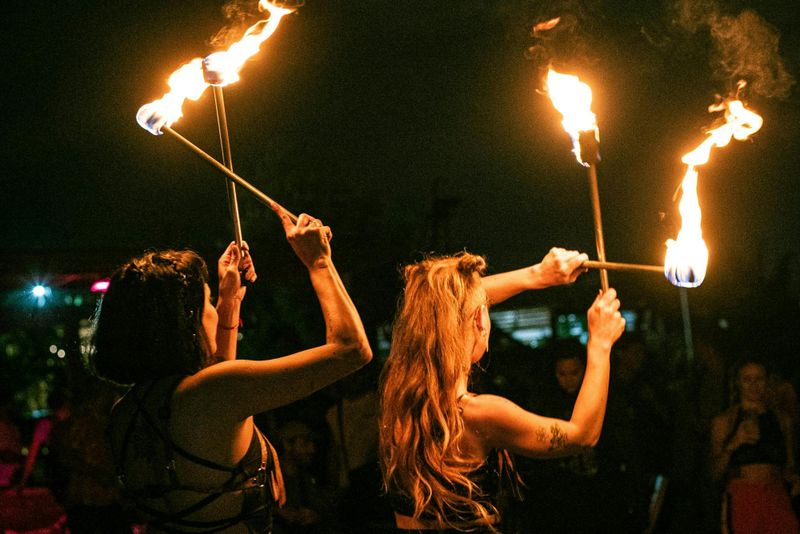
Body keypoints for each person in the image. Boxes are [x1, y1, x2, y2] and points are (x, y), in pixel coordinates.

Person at [91, 205, 372, 533]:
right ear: (187, 321)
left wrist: (228, 300)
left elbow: (214, 401)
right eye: (208, 302)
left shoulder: (125, 411)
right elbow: (351, 350)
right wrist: (319, 261)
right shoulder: (214, 392)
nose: (214, 309)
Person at [379, 248, 626, 532]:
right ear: (478, 320)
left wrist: (538, 275)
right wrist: (600, 345)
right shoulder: (479, 415)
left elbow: (440, 305)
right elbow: (582, 435)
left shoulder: (398, 396)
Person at [711, 358, 800, 534]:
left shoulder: (783, 420)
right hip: (743, 496)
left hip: (776, 496)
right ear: (738, 383)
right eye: (747, 379)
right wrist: (733, 444)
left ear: (767, 381)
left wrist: (793, 477)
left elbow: (789, 464)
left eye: (759, 379)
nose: (753, 385)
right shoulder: (724, 421)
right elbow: (714, 473)